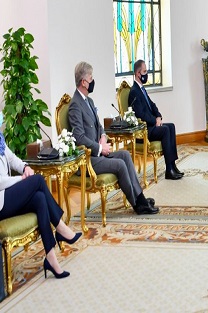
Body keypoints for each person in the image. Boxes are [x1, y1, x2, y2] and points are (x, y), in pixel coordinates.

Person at [0, 95, 82, 279]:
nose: (0, 116)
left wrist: (25, 167)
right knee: (37, 181)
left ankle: (51, 258)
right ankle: (60, 227)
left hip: (5, 195)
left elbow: (12, 158)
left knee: (39, 199)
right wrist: (21, 179)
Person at [67, 61, 158, 215]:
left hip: (98, 152)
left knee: (125, 155)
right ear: (83, 82)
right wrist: (100, 148)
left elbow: (99, 126)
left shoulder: (89, 101)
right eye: (91, 78)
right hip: (89, 159)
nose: (93, 81)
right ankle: (137, 204)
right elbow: (79, 137)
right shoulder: (75, 105)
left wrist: (103, 136)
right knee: (120, 165)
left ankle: (140, 197)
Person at [128, 59, 183, 180]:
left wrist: (158, 116)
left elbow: (152, 105)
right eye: (144, 71)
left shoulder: (141, 89)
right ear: (138, 73)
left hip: (152, 125)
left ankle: (173, 165)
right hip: (145, 129)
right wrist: (155, 121)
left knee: (171, 126)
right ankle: (169, 170)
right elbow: (140, 114)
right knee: (165, 130)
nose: (146, 74)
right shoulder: (134, 92)